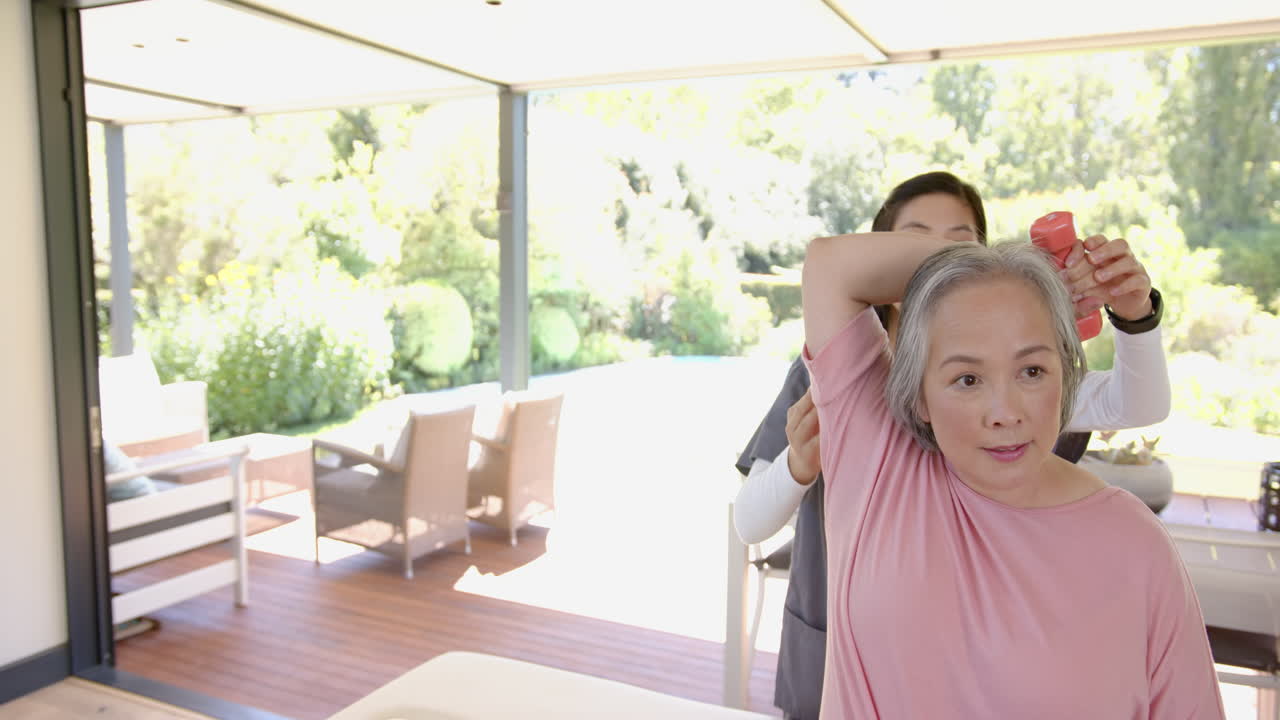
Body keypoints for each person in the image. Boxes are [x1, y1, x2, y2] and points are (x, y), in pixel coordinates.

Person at [734, 172, 1171, 720]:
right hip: (835, 643)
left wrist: (1124, 312)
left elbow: (1135, 404)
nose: (1002, 412)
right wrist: (800, 466)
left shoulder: (1008, 381)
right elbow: (750, 522)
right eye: (918, 241)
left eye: (961, 244)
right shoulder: (838, 383)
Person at [799, 232, 1221, 717]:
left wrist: (1027, 279)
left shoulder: (1136, 545)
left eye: (1032, 371)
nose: (1004, 413)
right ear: (919, 395)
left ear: (1066, 373)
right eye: (968, 379)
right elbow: (831, 266)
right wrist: (1024, 266)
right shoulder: (880, 464)